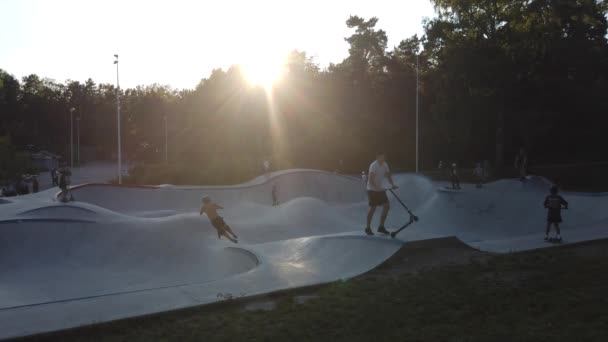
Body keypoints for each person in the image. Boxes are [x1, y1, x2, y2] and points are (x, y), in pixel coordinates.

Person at [365, 152, 398, 235]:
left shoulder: (384, 164)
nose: (383, 159)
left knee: (386, 206)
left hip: (380, 189)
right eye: (381, 157)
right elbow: (370, 180)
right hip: (372, 189)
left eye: (383, 157)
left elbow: (388, 175)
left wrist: (392, 184)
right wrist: (377, 188)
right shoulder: (373, 165)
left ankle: (381, 226)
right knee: (373, 208)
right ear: (377, 157)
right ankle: (368, 228)